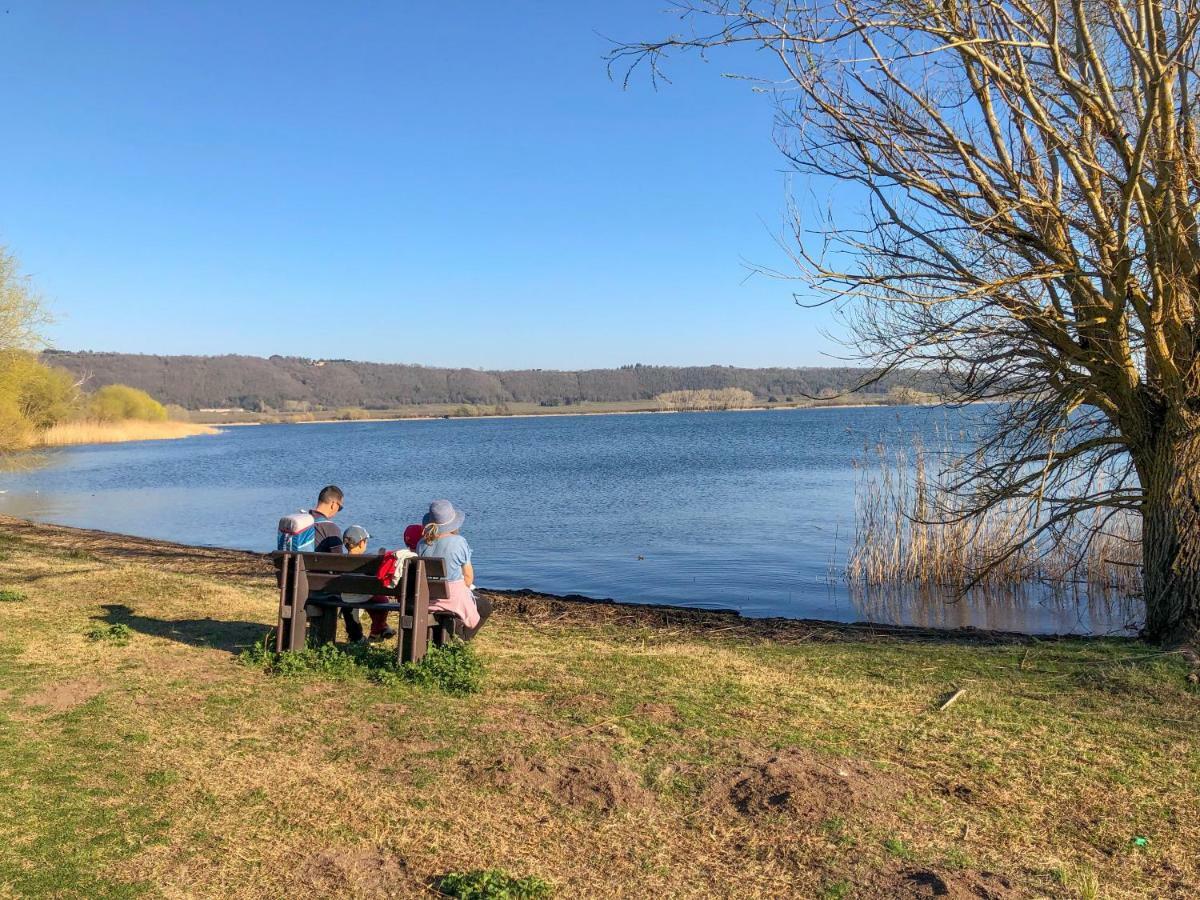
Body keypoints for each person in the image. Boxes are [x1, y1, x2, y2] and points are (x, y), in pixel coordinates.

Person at [416, 499, 492, 639]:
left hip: (429, 597)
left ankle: (448, 634)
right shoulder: (459, 542)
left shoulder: (421, 544)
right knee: (486, 607)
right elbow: (468, 578)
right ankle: (463, 638)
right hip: (453, 598)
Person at [307, 484, 365, 642]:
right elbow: (338, 565)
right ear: (333, 504)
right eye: (340, 508)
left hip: (295, 584)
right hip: (320, 590)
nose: (337, 511)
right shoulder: (330, 529)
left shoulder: (302, 523)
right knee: (347, 590)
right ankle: (356, 637)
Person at [342, 525, 397, 641]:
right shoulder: (366, 562)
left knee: (374, 600)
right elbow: (376, 580)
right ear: (361, 543)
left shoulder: (341, 560)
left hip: (345, 596)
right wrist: (381, 559)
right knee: (382, 601)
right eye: (366, 541)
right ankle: (376, 632)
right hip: (361, 596)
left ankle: (382, 628)